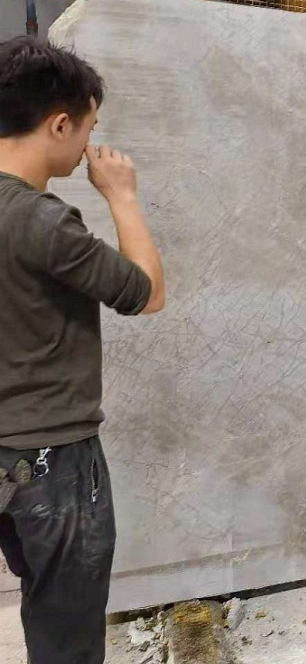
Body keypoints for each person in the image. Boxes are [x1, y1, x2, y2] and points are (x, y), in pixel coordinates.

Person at [0, 37, 165, 663]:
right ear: (59, 124)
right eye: (89, 128)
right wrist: (122, 196)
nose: (88, 144)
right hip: (51, 459)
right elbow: (145, 293)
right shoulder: (42, 221)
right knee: (63, 629)